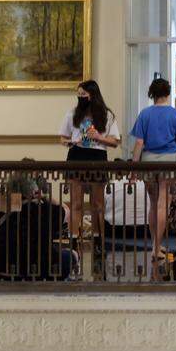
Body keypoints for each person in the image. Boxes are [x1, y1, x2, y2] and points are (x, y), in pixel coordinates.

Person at [129, 77, 176, 258]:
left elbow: (139, 143)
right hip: (169, 161)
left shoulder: (144, 114)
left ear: (152, 94)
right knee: (163, 203)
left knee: (153, 204)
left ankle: (154, 246)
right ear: (168, 93)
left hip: (149, 161)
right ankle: (157, 246)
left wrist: (134, 169)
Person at [59, 80, 121, 237]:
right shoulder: (72, 114)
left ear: (93, 96)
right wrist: (72, 142)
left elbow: (115, 141)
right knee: (76, 203)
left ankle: (97, 237)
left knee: (97, 204)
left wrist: (99, 137)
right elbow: (63, 138)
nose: (80, 97)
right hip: (77, 155)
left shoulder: (107, 115)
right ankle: (73, 237)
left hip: (97, 155)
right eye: (78, 95)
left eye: (84, 95)